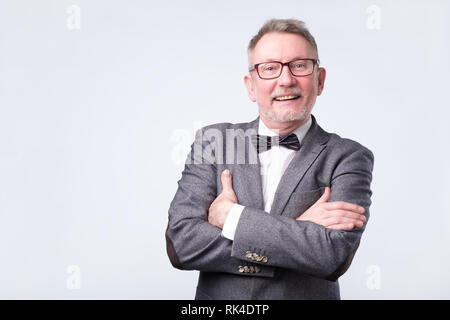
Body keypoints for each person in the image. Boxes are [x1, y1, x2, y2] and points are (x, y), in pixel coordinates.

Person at [165, 18, 374, 300]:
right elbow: (181, 245)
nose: (285, 79)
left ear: (319, 79)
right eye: (270, 68)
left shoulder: (349, 157)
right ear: (250, 86)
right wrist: (300, 230)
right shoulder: (214, 141)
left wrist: (233, 217)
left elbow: (332, 258)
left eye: (299, 65)